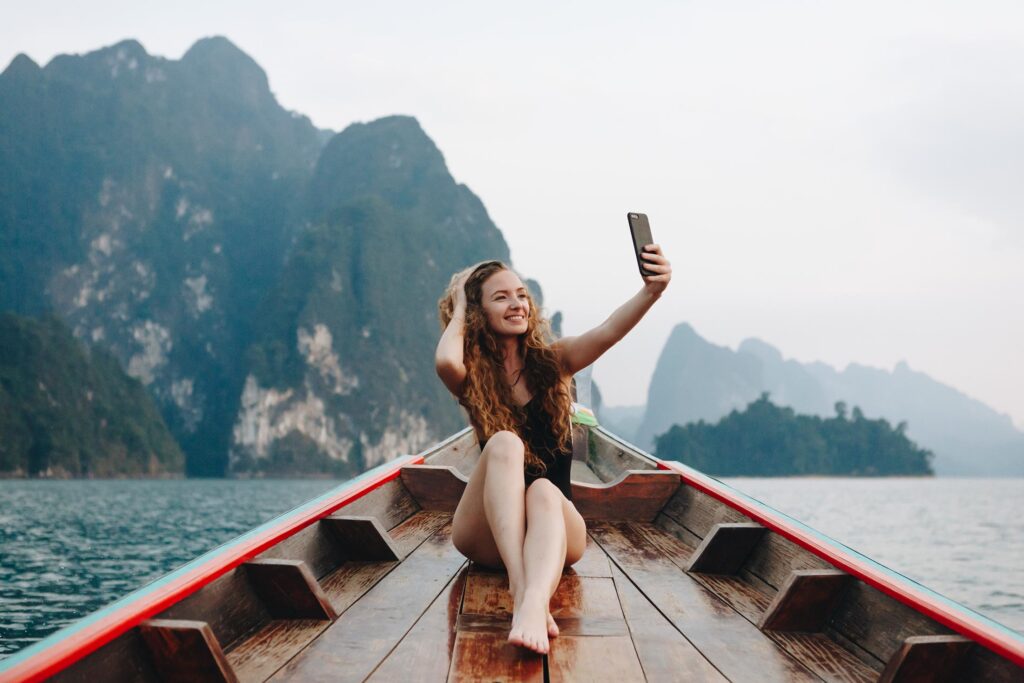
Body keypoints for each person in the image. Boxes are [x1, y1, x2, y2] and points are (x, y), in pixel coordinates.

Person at [434, 244, 672, 654]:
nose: (517, 303)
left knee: (543, 489)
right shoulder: (474, 377)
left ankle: (530, 602)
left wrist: (652, 290)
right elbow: (445, 363)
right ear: (479, 314)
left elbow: (608, 330)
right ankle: (523, 586)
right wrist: (458, 309)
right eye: (501, 297)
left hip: (557, 530)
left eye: (522, 294)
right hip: (490, 538)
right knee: (506, 442)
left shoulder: (554, 361)